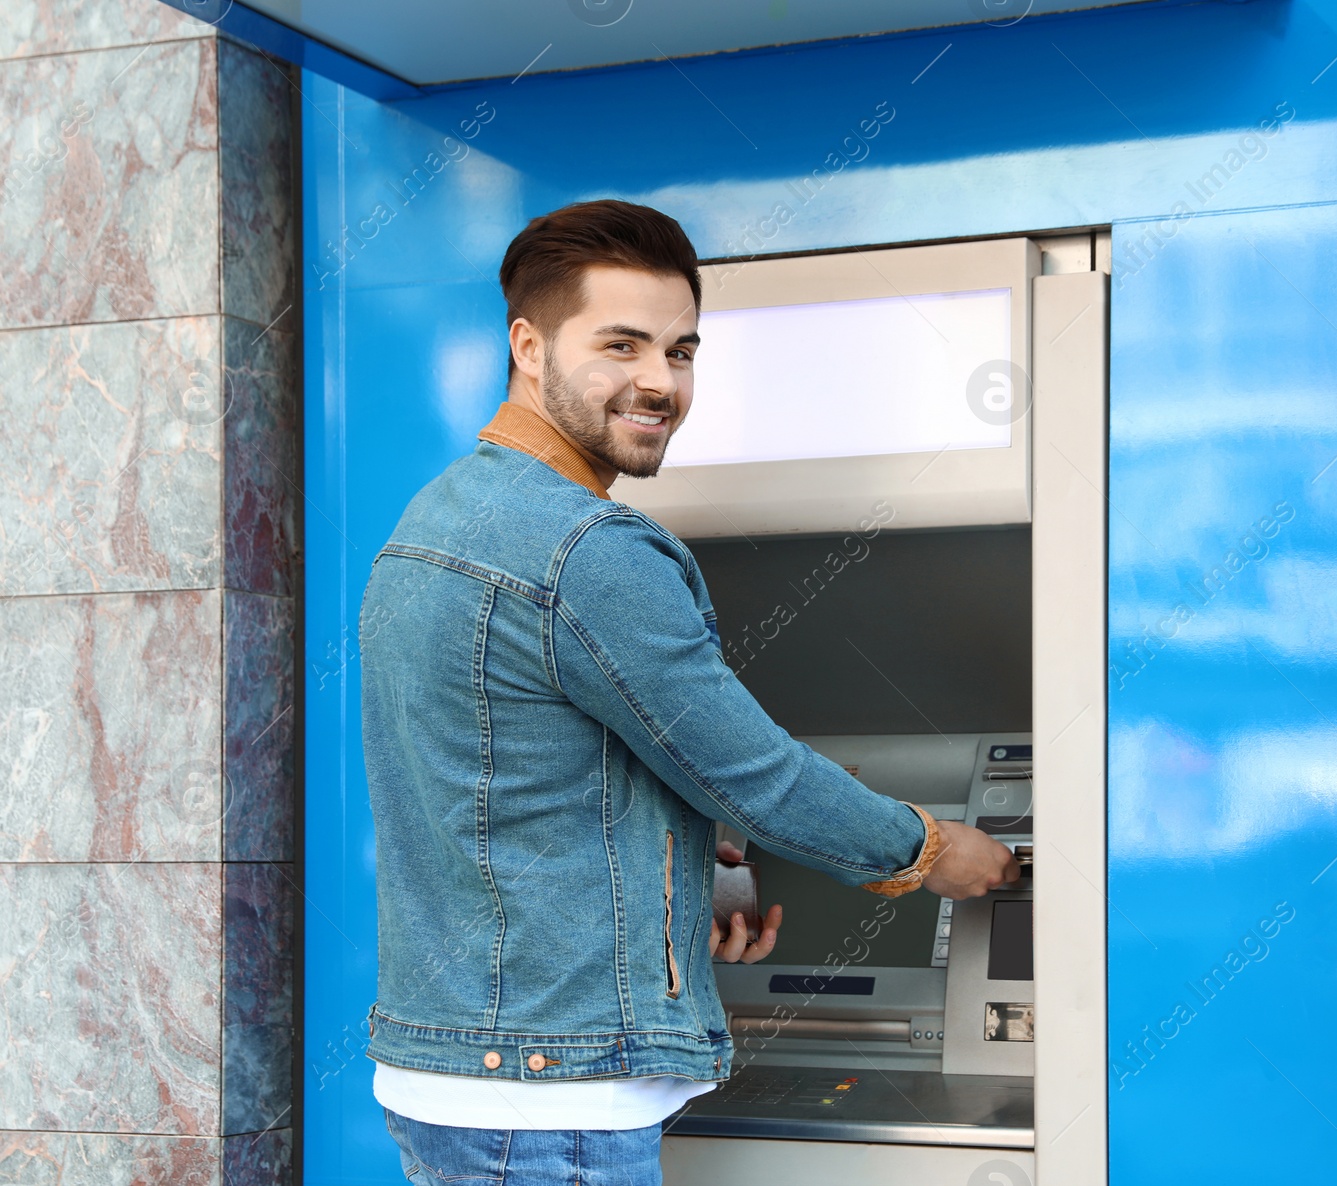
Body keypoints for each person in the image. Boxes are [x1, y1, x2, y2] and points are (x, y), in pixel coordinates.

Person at [359, 199, 1019, 1185]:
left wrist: (679, 892)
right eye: (619, 345)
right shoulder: (586, 551)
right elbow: (757, 775)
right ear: (527, 345)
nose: (659, 382)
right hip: (555, 1101)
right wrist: (936, 851)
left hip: (461, 1066)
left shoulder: (435, 520)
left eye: (681, 350)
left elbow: (512, 790)